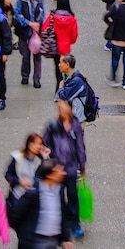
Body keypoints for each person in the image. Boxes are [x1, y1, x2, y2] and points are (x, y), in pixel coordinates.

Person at [43, 98, 87, 240]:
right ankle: (63, 224)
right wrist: (49, 157)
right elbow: (45, 143)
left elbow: (80, 146)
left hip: (72, 168)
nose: (61, 111)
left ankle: (75, 223)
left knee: (73, 196)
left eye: (64, 108)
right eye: (59, 109)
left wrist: (82, 165)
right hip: (57, 170)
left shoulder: (75, 126)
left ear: (70, 109)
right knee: (59, 197)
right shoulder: (53, 126)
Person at [13, 158, 74, 249]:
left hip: (52, 241)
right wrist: (24, 234)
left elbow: (63, 215)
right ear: (50, 175)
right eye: (59, 170)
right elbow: (15, 214)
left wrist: (66, 238)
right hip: (35, 242)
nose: (63, 173)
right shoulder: (34, 193)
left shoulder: (59, 191)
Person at [42, 0, 79, 86]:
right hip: (66, 48)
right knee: (67, 68)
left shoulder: (52, 16)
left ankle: (58, 89)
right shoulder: (72, 18)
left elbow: (44, 29)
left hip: (55, 47)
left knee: (58, 68)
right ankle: (67, 87)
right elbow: (74, 35)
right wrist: (70, 42)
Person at [17, 0, 46, 87]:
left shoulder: (40, 0)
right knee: (25, 55)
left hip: (37, 32)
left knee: (37, 56)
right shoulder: (22, 0)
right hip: (24, 32)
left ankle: (37, 79)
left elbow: (42, 15)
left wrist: (37, 24)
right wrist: (29, 23)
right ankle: (25, 75)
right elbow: (18, 15)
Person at [6, 132, 47, 201]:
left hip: (35, 196)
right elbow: (8, 175)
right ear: (29, 144)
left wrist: (45, 158)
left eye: (40, 144)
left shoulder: (40, 160)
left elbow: (47, 176)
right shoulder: (17, 157)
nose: (38, 146)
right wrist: (20, 182)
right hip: (18, 195)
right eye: (34, 143)